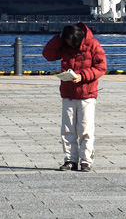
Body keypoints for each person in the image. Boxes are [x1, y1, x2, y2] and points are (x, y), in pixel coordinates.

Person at [43, 23, 107, 172]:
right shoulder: (64, 44)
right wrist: (58, 39)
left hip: (87, 93)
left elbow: (101, 67)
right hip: (68, 92)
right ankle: (70, 159)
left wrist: (83, 76)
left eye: (71, 43)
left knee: (85, 128)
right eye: (67, 42)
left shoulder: (93, 44)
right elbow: (48, 54)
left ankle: (86, 160)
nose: (70, 45)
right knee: (67, 129)